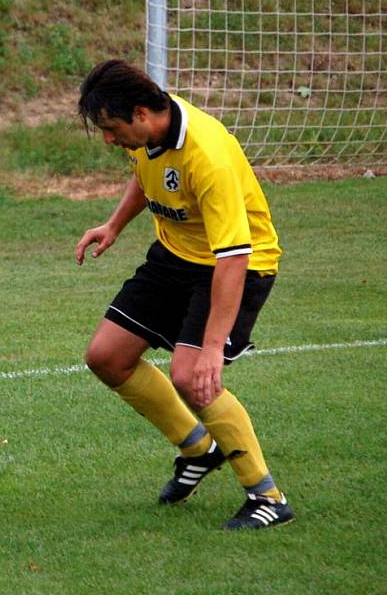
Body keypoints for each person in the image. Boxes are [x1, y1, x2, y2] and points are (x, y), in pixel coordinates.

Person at [74, 60, 294, 530]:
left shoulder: (206, 154)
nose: (110, 140)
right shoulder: (151, 133)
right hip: (177, 256)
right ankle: (197, 448)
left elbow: (234, 257)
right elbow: (145, 172)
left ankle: (268, 496)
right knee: (106, 357)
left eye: (111, 129)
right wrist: (114, 224)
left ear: (139, 113)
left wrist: (212, 347)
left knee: (194, 376)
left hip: (239, 263)